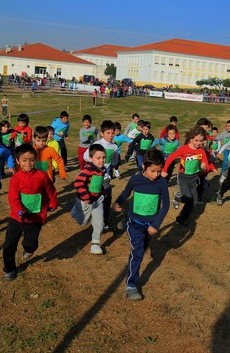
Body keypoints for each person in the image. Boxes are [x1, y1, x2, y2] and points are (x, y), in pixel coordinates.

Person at [113, 149, 170, 301]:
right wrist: (118, 201)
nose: (155, 175)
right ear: (144, 166)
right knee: (137, 251)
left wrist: (156, 225)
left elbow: (165, 205)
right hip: (135, 223)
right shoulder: (135, 180)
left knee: (144, 247)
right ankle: (131, 286)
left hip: (150, 225)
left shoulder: (162, 182)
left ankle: (125, 220)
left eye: (159, 171)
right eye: (153, 171)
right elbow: (126, 193)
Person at [2, 143, 58, 280]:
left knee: (31, 244)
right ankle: (9, 269)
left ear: (36, 159)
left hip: (35, 217)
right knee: (9, 244)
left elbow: (51, 190)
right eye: (24, 160)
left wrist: (53, 203)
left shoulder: (42, 176)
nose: (28, 163)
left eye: (31, 160)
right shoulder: (16, 179)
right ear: (17, 161)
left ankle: (28, 250)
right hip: (17, 217)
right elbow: (13, 198)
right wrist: (19, 211)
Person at [161, 126, 215, 226]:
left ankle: (180, 219)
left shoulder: (201, 151)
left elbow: (206, 166)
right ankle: (179, 197)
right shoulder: (184, 149)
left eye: (201, 141)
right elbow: (171, 157)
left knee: (193, 202)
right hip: (183, 177)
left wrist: (204, 167)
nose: (199, 143)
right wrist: (164, 170)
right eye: (196, 140)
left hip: (194, 178)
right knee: (188, 197)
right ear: (191, 139)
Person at [71, 144, 109, 255]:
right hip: (85, 201)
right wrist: (86, 197)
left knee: (99, 222)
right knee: (83, 222)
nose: (102, 160)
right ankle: (75, 210)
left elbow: (97, 183)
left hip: (97, 200)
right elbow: (78, 182)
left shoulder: (102, 169)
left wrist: (102, 192)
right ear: (91, 158)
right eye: (98, 158)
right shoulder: (87, 169)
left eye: (103, 157)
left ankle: (95, 244)